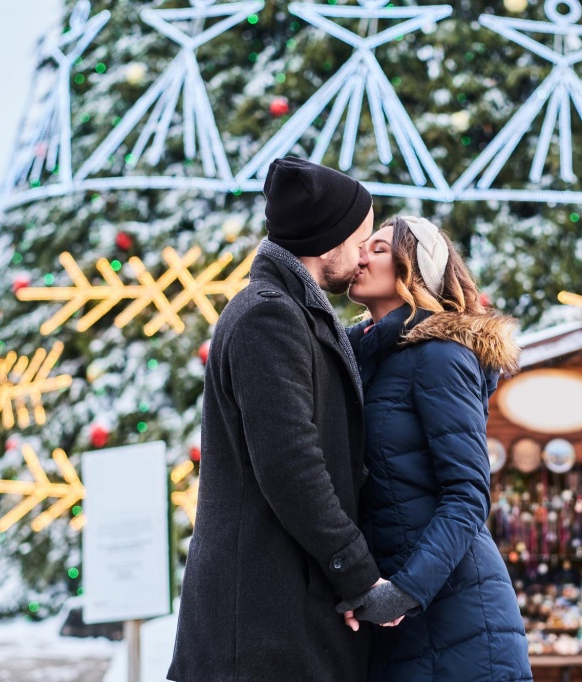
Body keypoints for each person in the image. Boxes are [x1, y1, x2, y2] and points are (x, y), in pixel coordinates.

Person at [168, 156, 388, 682]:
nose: (364, 255)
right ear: (327, 240)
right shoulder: (269, 316)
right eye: (361, 240)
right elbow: (291, 464)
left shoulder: (294, 313)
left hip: (280, 616)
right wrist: (358, 574)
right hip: (261, 629)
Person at [340, 215, 534, 681]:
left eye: (378, 249)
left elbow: (467, 494)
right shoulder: (366, 359)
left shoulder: (441, 355)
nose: (361, 255)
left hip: (459, 619)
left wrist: (406, 591)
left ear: (414, 271)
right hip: (398, 621)